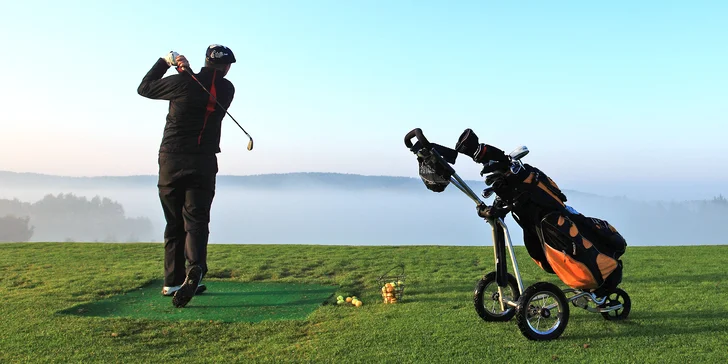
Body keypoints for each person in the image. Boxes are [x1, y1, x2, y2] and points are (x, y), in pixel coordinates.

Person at [137, 44, 237, 308]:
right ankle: (196, 267)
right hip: (203, 162)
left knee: (173, 222)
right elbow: (203, 87)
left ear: (206, 61)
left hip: (171, 160)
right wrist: (187, 72)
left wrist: (165, 61)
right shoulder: (227, 90)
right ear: (227, 67)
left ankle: (172, 280)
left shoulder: (183, 82)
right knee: (196, 219)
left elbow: (144, 88)